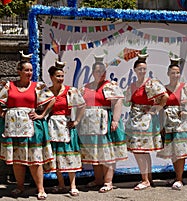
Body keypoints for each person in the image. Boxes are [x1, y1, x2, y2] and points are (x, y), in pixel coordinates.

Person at [0, 51, 55, 200]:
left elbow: (52, 99)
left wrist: (42, 115)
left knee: (34, 159)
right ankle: (19, 187)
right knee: (17, 160)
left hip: (31, 127)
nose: (29, 73)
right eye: (26, 70)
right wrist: (2, 113)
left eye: (31, 70)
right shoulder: (9, 86)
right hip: (12, 128)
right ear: (19, 71)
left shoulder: (37, 86)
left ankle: (40, 189)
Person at [78, 55, 127, 193]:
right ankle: (98, 179)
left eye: (102, 71)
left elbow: (117, 102)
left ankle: (108, 181)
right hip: (89, 125)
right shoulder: (86, 87)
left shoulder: (110, 86)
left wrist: (115, 120)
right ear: (93, 72)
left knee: (106, 152)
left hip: (103, 123)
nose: (100, 73)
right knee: (95, 152)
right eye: (97, 71)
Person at [125, 52, 169, 190]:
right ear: (135, 70)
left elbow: (165, 96)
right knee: (141, 151)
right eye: (140, 69)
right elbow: (128, 101)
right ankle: (147, 178)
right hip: (135, 119)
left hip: (146, 120)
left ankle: (145, 179)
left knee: (140, 150)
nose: (142, 71)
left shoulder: (151, 83)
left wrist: (155, 108)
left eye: (144, 69)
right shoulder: (133, 85)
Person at [156, 57, 187, 190]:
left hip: (181, 123)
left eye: (177, 73)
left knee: (180, 152)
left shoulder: (185, 87)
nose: (175, 75)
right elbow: (160, 108)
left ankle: (180, 179)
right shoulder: (164, 89)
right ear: (168, 74)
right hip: (168, 122)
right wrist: (161, 125)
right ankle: (177, 176)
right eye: (172, 73)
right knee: (173, 151)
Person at [45, 61, 86, 196]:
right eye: (58, 76)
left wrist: (76, 121)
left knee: (69, 155)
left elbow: (82, 105)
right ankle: (61, 184)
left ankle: (73, 185)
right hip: (52, 125)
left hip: (65, 125)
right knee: (56, 156)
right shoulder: (47, 92)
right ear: (51, 77)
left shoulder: (70, 91)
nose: (60, 78)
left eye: (62, 76)